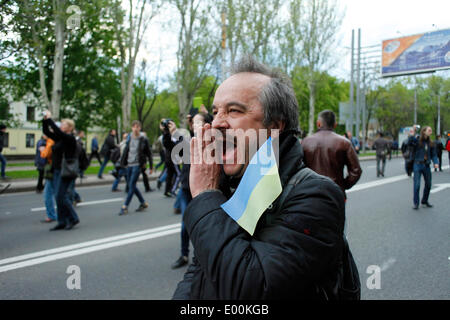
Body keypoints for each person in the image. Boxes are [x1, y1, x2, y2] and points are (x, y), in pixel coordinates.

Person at [173, 56, 350, 299]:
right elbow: (200, 274)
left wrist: (204, 196)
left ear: (274, 126)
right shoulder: (227, 189)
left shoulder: (317, 196)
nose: (216, 124)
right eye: (215, 112)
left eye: (233, 110)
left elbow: (253, 289)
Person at [171, 112, 213, 270]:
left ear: (207, 125)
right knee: (185, 225)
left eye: (199, 123)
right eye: (194, 123)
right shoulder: (188, 142)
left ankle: (203, 258)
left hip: (202, 192)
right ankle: (183, 255)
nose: (195, 126)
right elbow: (174, 152)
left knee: (202, 226)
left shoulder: (212, 144)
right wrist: (172, 133)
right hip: (185, 190)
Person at [301, 110, 362, 196]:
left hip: (310, 193)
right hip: (336, 194)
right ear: (335, 125)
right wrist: (343, 185)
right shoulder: (345, 143)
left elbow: (297, 169)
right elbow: (356, 171)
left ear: (318, 124)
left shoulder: (305, 142)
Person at [42, 111, 80, 230]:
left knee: (61, 196)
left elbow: (57, 131)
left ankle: (73, 218)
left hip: (66, 171)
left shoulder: (69, 138)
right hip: (57, 170)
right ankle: (62, 221)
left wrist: (50, 119)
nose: (60, 126)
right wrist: (45, 120)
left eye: (63, 124)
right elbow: (47, 132)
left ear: (69, 128)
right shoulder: (60, 138)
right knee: (59, 196)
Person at [118, 120, 151, 215]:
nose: (135, 128)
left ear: (140, 128)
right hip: (129, 164)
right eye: (134, 127)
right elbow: (126, 150)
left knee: (131, 185)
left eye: (137, 127)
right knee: (131, 185)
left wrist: (151, 166)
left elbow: (149, 153)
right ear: (132, 128)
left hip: (137, 165)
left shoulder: (143, 139)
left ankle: (125, 206)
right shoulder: (129, 137)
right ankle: (143, 202)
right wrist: (122, 162)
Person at [408, 126, 439, 210]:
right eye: (429, 130)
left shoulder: (431, 143)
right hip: (417, 164)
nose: (431, 132)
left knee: (428, 184)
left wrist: (436, 162)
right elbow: (410, 142)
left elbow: (434, 154)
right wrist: (412, 133)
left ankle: (424, 200)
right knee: (417, 185)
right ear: (424, 131)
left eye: (431, 131)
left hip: (426, 165)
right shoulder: (417, 140)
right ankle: (416, 203)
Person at [161, 119, 181, 197]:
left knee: (171, 175)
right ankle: (172, 189)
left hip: (170, 158)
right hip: (172, 159)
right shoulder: (167, 135)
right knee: (178, 174)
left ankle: (168, 190)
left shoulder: (169, 135)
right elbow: (171, 145)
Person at [40, 136, 57, 223]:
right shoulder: (49, 141)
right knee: (56, 193)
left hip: (52, 168)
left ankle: (52, 215)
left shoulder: (50, 141)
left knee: (48, 194)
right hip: (53, 168)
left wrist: (42, 150)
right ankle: (56, 215)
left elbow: (45, 154)